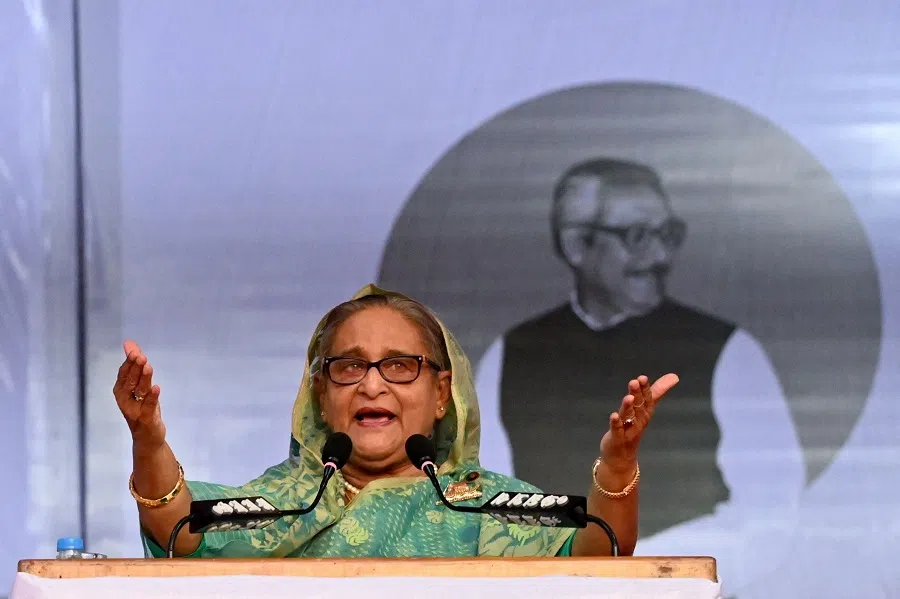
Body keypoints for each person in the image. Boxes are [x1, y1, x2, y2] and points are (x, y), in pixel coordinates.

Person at [114, 284, 679, 558]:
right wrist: (148, 437)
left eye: (399, 366)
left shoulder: (482, 508)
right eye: (349, 365)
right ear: (319, 390)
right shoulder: (288, 504)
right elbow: (180, 529)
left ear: (440, 393)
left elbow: (599, 551)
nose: (372, 383)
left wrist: (619, 461)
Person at [474, 159, 804, 592]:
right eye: (638, 237)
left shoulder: (728, 349)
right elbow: (490, 511)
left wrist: (636, 578)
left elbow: (770, 517)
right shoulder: (510, 355)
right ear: (577, 246)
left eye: (668, 235)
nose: (662, 256)